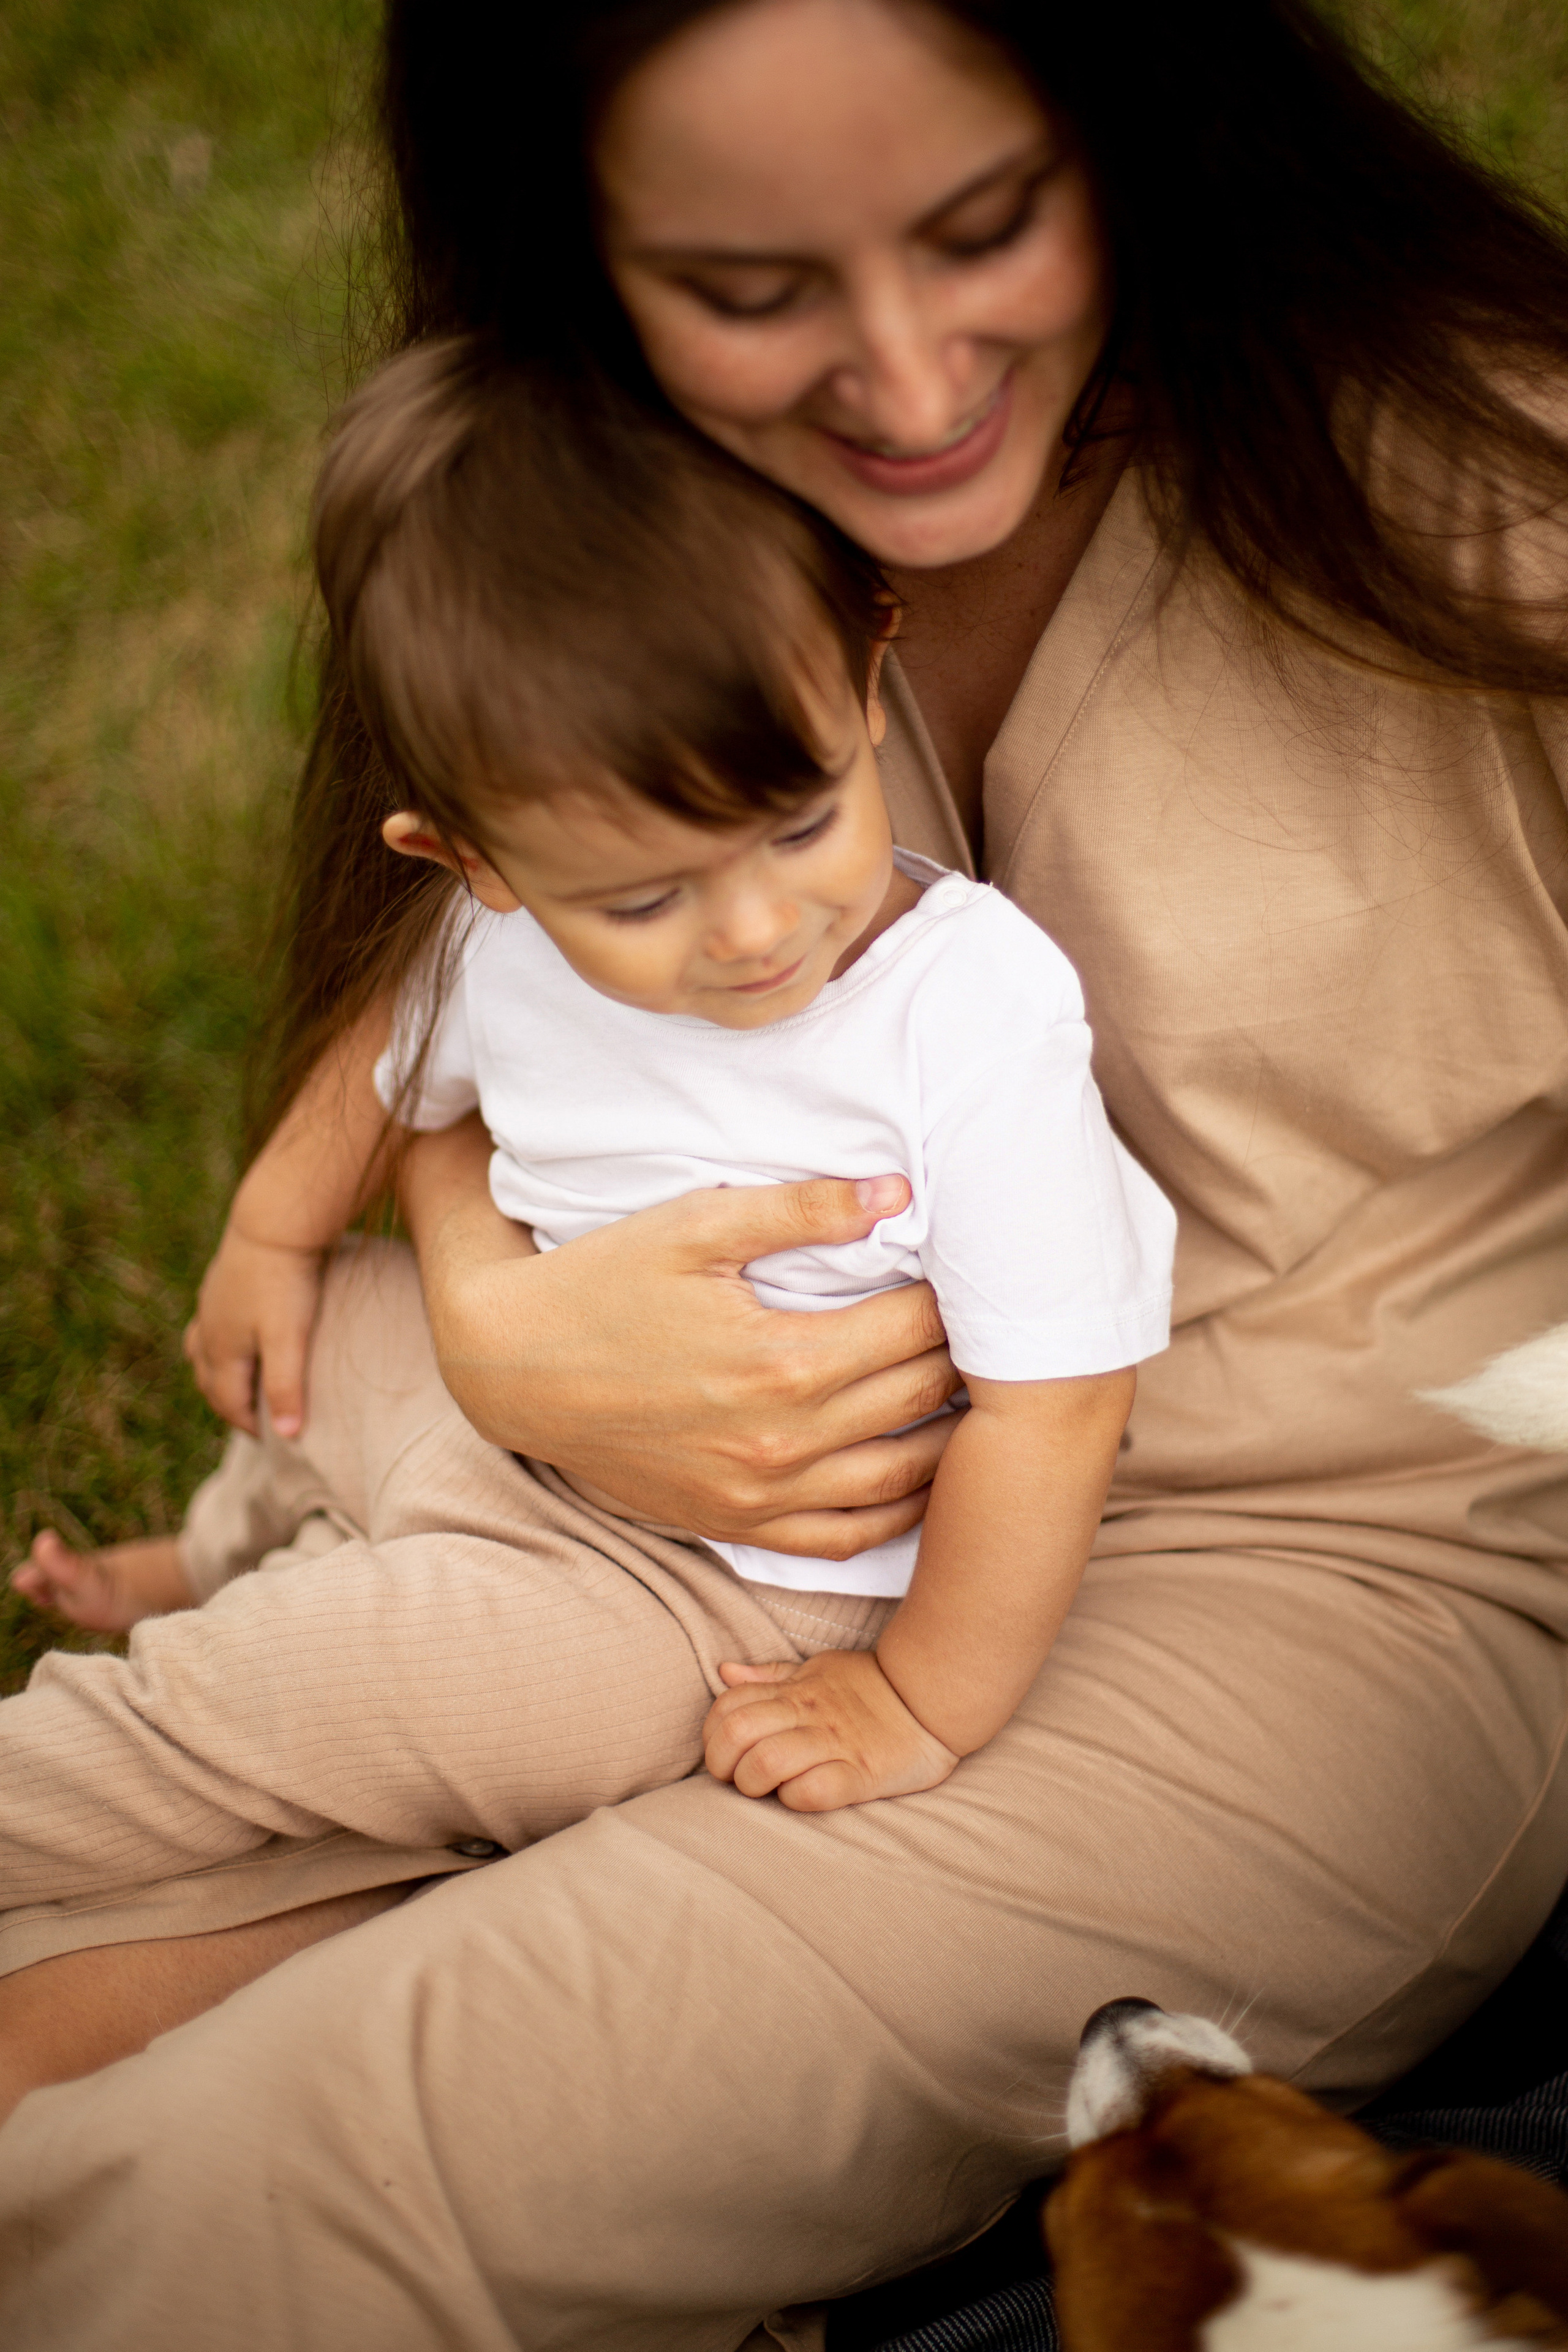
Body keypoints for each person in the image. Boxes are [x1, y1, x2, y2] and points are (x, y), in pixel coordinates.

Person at [2, 0, 1567, 2343]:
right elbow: (445, 1018)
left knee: (239, 2189)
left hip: (1305, 1572)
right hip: (634, 1501)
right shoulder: (570, 525)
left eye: (983, 227)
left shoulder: (1493, 483)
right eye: (759, 291)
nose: (913, 372)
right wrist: (507, 1316)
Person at [0, 333, 1172, 1888]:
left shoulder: (967, 1013)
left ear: (866, 663)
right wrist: (271, 1237)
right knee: (309, 1351)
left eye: (802, 818)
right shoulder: (498, 936)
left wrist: (913, 1698)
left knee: (257, 1710)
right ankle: (215, 1548)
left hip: (710, 1587)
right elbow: (384, 1052)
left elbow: (1058, 1406)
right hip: (520, 1392)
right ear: (470, 861)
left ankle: (110, 1736)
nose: (754, 929)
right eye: (639, 895)